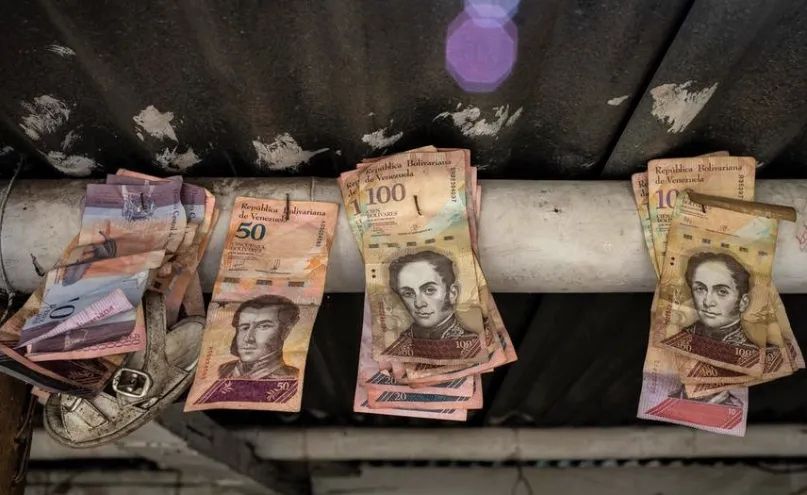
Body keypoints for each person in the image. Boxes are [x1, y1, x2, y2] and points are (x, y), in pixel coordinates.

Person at [388, 250, 475, 340]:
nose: (418, 303)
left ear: (452, 293)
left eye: (429, 290)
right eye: (408, 293)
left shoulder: (472, 341)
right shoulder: (398, 342)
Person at [681, 252, 755, 347]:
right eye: (700, 289)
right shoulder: (679, 338)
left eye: (722, 292)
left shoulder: (753, 354)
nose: (707, 302)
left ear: (743, 303)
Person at [218, 294, 300, 379]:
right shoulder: (223, 370)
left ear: (285, 332)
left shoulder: (295, 376)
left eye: (263, 327)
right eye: (244, 327)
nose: (247, 339)